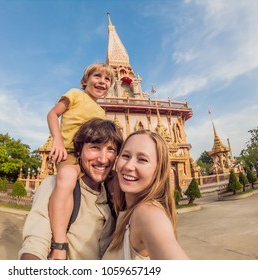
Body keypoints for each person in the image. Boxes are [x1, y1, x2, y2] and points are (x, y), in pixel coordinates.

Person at [18, 118, 123, 260]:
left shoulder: (114, 193)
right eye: (95, 147)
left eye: (111, 149)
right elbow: (37, 240)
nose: (103, 159)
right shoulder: (56, 185)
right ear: (79, 151)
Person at [46, 63, 115, 259]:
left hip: (92, 158)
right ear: (85, 81)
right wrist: (57, 139)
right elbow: (53, 114)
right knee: (67, 176)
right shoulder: (75, 94)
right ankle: (59, 242)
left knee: (118, 181)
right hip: (69, 153)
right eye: (97, 76)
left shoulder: (101, 113)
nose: (102, 81)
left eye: (107, 79)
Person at [103, 130, 189, 260]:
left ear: (158, 170)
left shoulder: (147, 214)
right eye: (125, 156)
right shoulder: (124, 209)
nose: (128, 166)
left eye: (142, 159)